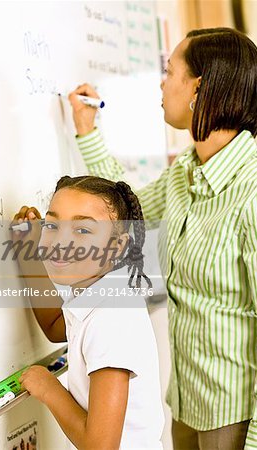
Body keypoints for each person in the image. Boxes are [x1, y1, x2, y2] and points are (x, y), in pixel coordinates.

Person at [68, 28, 257, 450]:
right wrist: (87, 131)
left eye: (169, 71)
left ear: (198, 87)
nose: (161, 83)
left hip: (239, 421)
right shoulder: (186, 170)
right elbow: (126, 210)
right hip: (185, 407)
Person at [12, 176, 165, 449]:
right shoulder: (96, 290)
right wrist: (27, 252)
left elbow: (100, 446)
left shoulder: (112, 319)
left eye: (82, 230)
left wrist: (49, 388)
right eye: (52, 225)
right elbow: (55, 325)